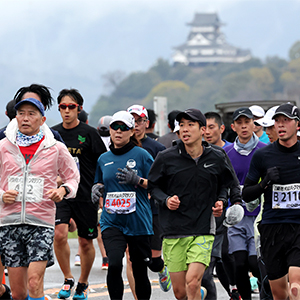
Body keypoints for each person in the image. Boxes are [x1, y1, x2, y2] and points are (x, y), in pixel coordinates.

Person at [148, 108, 239, 300]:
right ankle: (198, 294)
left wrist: (222, 201)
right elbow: (153, 187)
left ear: (203, 130)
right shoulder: (166, 157)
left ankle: (196, 290)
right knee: (180, 293)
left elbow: (229, 184)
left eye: (191, 125)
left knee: (192, 281)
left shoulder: (217, 156)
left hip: (203, 229)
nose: (185, 130)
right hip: (174, 231)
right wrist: (166, 200)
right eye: (182, 125)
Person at [0, 97, 79, 300]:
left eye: (31, 114)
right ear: (15, 117)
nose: (25, 118)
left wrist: (63, 191)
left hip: (41, 222)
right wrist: (1, 195)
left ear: (42, 120)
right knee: (18, 293)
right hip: (9, 223)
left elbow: (73, 176)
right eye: (21, 114)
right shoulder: (3, 146)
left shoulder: (55, 148)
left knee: (34, 282)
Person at [93, 110, 154, 300]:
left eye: (123, 128)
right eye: (114, 127)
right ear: (110, 130)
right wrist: (97, 188)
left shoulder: (142, 155)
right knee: (114, 265)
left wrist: (138, 180)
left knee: (139, 269)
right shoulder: (103, 159)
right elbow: (100, 182)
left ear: (131, 131)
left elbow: (157, 185)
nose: (118, 131)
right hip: (112, 221)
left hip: (138, 221)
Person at [52, 89, 106, 300]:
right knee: (59, 234)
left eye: (71, 107)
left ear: (79, 109)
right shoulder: (53, 134)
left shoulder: (90, 134)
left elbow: (103, 162)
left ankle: (83, 282)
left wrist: (101, 190)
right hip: (61, 194)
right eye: (62, 107)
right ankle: (67, 278)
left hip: (85, 195)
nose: (66, 111)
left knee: (85, 241)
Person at [242, 103, 300, 300]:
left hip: (298, 226)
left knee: (295, 284)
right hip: (272, 228)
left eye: (286, 121)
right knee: (279, 294)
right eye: (277, 121)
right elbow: (246, 194)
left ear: (297, 125)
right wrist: (264, 183)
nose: (280, 125)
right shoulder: (263, 155)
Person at [126, 105, 171, 294]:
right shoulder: (119, 147)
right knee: (131, 257)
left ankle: (161, 268)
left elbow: (166, 179)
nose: (135, 125)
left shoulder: (157, 148)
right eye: (132, 121)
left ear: (146, 123)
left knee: (152, 261)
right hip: (128, 209)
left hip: (152, 210)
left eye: (139, 121)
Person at [224, 107, 266, 300]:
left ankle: (268, 291)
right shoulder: (226, 152)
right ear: (233, 127)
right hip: (235, 215)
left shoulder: (264, 151)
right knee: (239, 263)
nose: (243, 126)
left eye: (247, 122)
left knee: (254, 263)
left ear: (253, 124)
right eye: (239, 123)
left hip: (258, 215)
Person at [203, 111, 241, 300]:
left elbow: (233, 182)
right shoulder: (195, 153)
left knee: (226, 255)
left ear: (221, 128)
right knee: (212, 264)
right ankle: (233, 291)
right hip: (205, 218)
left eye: (212, 127)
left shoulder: (227, 152)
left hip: (228, 215)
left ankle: (235, 288)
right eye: (205, 128)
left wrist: (236, 202)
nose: (207, 132)